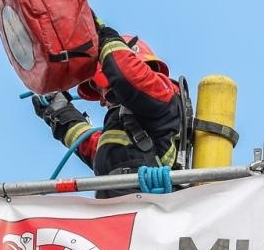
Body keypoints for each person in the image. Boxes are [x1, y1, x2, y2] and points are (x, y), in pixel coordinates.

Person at [33, 19, 184, 198]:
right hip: (121, 206)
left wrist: (105, 36)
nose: (101, 101)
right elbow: (92, 146)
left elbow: (126, 75)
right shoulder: (126, 135)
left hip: (146, 205)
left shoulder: (160, 92)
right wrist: (60, 112)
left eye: (100, 88)